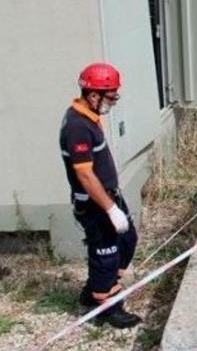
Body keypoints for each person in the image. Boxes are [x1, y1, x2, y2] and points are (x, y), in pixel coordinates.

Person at [59, 63, 141, 328]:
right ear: (93, 94)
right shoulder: (77, 127)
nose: (113, 101)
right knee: (106, 251)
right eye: (111, 96)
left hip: (108, 196)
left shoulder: (88, 117)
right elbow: (84, 175)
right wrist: (110, 209)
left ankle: (96, 288)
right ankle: (107, 307)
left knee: (127, 240)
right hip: (95, 205)